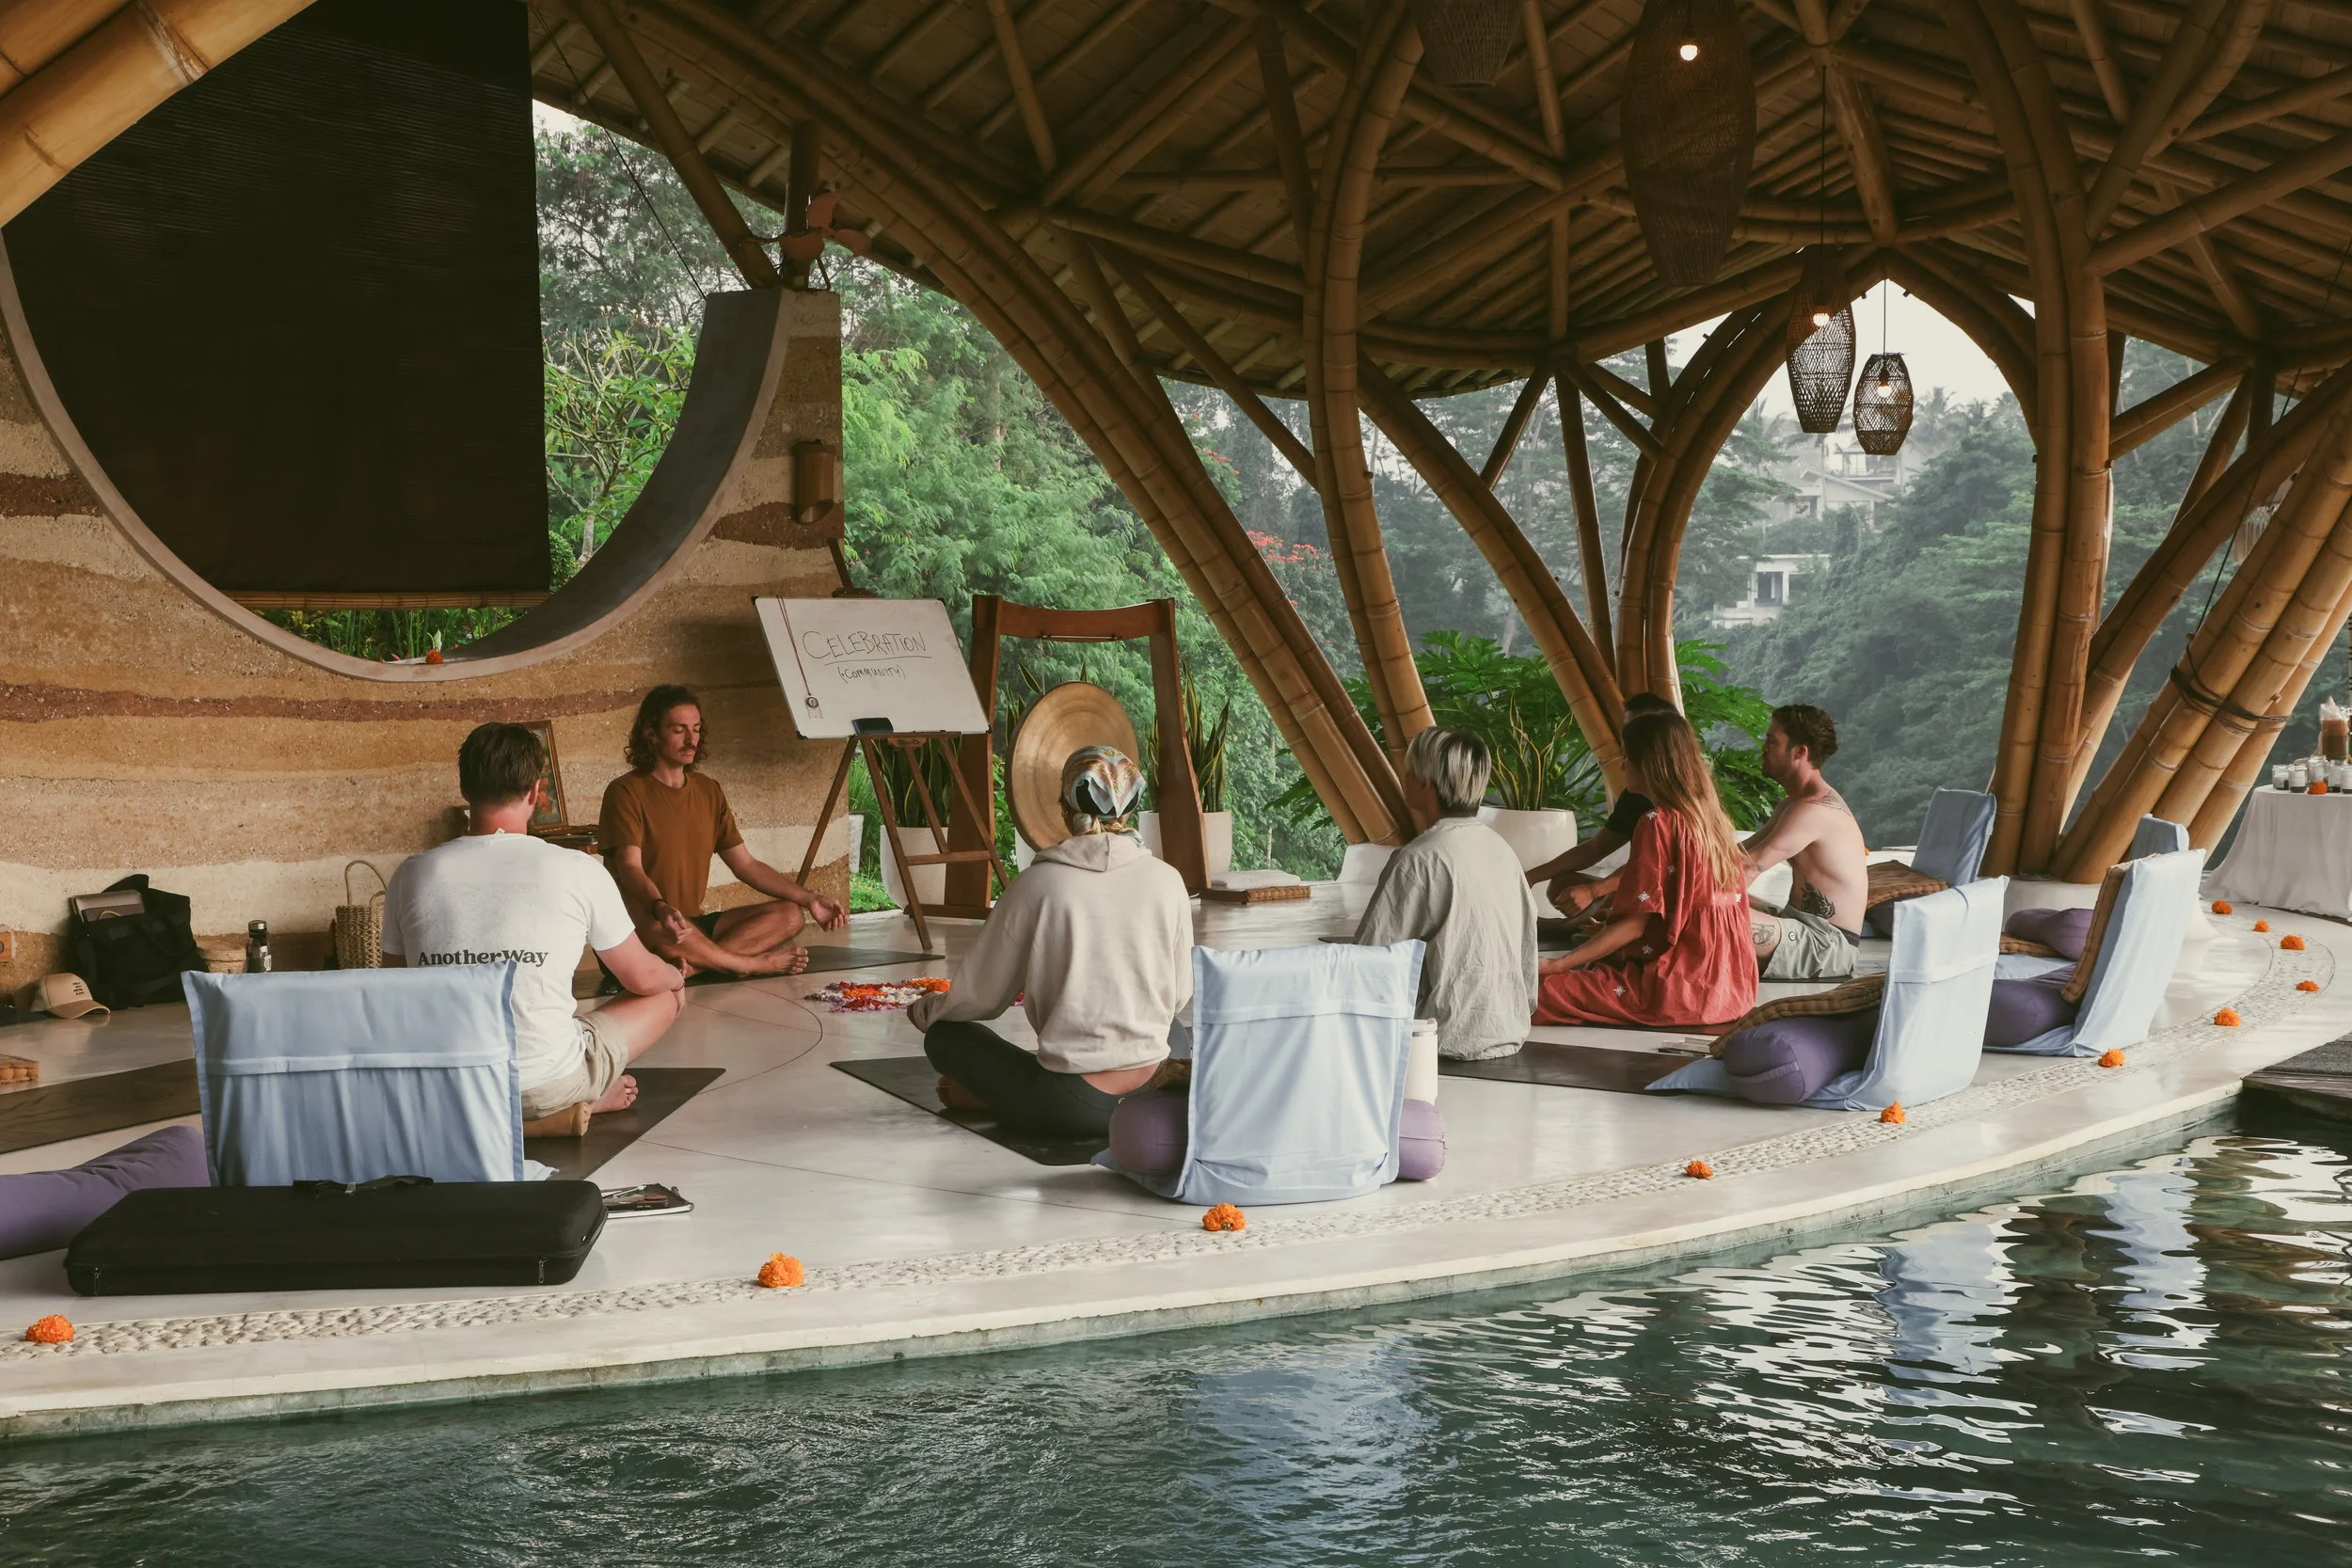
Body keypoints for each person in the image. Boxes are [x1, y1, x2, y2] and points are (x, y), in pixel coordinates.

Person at [384, 722, 685, 1123]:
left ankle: (532, 1106)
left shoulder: (411, 874)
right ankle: (576, 1100)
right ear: (535, 793)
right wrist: (675, 977)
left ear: (465, 791)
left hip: (446, 1092)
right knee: (664, 997)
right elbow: (643, 979)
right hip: (543, 1085)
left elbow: (393, 990)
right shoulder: (577, 869)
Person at [913, 746, 1191, 1136]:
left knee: (946, 1036)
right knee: (1174, 1026)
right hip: (1155, 1091)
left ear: (1065, 806)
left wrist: (925, 1011)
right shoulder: (1168, 879)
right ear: (1130, 808)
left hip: (1072, 1106)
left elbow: (982, 998)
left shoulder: (1037, 884)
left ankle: (995, 1098)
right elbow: (1178, 995)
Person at [598, 685, 846, 978]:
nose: (691, 740)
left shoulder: (708, 791)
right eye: (679, 730)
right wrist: (661, 908)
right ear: (652, 733)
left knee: (790, 915)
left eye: (696, 729)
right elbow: (629, 868)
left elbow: (746, 865)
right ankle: (749, 964)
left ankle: (690, 969)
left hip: (691, 928)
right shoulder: (625, 791)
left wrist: (809, 899)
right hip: (645, 926)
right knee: (672, 932)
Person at [1534, 709, 1756, 1028]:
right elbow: (1688, 916)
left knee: (1534, 992)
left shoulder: (1658, 823)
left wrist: (1558, 964)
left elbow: (1636, 927)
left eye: (1627, 756)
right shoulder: (1713, 822)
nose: (1622, 765)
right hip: (1729, 990)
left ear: (1649, 764)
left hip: (1679, 991)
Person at [1354, 726, 1539, 1060]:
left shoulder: (1418, 858)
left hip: (1440, 1039)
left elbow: (1370, 960)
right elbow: (1527, 951)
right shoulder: (1502, 850)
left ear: (1425, 785)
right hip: (1510, 1030)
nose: (1404, 779)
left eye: (1409, 772)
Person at [1741, 704, 1868, 981]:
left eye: (1772, 741)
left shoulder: (1814, 811)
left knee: (1705, 915)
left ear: (1800, 752)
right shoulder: (1793, 804)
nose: (1763, 748)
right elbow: (1738, 855)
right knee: (1703, 905)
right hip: (1799, 925)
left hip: (1828, 944)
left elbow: (1746, 869)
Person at [1525, 692, 1679, 916]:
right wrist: (1531, 876)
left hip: (1674, 896)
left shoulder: (1679, 810)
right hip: (1644, 889)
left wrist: (1594, 890)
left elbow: (1657, 868)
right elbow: (1595, 848)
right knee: (1564, 886)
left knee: (1630, 908)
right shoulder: (1637, 795)